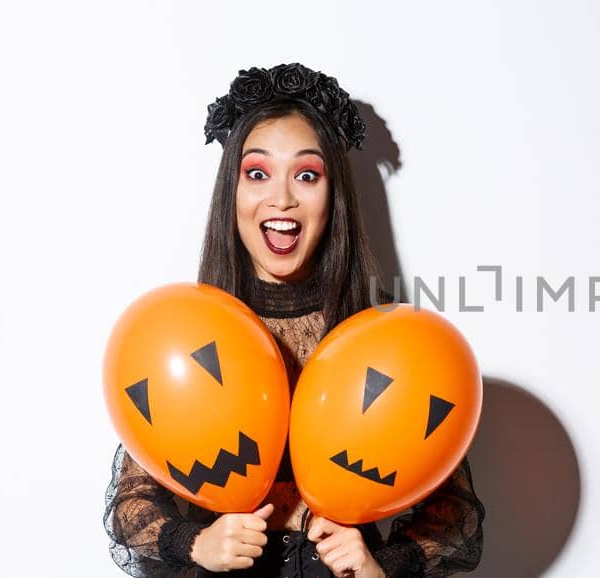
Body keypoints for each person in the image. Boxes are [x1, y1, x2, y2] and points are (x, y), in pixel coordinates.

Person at [104, 63, 484, 578]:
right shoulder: (186, 331)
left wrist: (382, 563)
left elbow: (455, 511)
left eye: (307, 175)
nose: (281, 198)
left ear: (334, 197)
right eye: (257, 173)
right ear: (231, 193)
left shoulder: (389, 338)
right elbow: (132, 502)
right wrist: (196, 543)